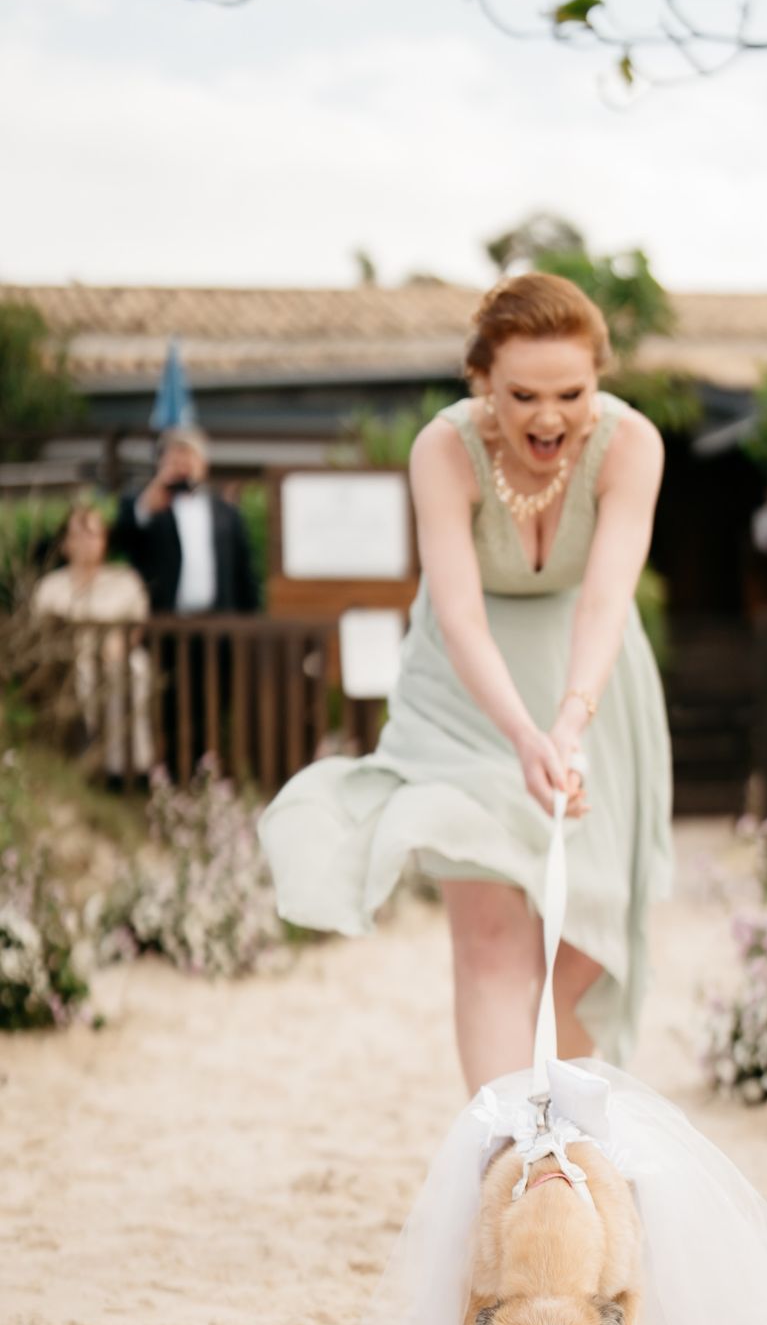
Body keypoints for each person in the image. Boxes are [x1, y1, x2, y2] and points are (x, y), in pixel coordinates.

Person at [260, 273, 674, 1084]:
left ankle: (560, 1135)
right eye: (522, 395)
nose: (548, 418)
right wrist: (522, 734)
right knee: (490, 940)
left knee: (582, 939)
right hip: (465, 693)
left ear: (598, 379)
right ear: (481, 380)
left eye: (571, 394)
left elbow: (604, 602)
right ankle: (503, 1142)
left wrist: (568, 723)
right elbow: (459, 616)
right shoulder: (443, 451)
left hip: (591, 682)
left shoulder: (632, 447)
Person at [32, 504, 153, 780]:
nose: (86, 542)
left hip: (116, 657)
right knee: (80, 680)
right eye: (78, 535)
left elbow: (137, 623)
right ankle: (85, 763)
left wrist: (120, 645)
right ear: (65, 543)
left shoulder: (124, 580)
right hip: (69, 663)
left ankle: (126, 767)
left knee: (136, 669)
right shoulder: (50, 587)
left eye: (93, 534)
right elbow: (42, 635)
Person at [109, 427, 259, 617]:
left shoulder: (226, 513)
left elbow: (243, 574)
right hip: (163, 622)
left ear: (203, 463)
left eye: (188, 456)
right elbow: (121, 544)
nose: (182, 465)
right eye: (174, 458)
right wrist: (145, 508)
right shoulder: (145, 506)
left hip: (217, 623)